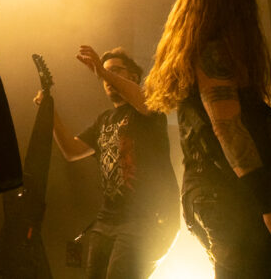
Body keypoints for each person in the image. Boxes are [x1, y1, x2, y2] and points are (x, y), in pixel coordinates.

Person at [143, 0, 271, 278]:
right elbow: (227, 129)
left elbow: (218, 124)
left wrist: (270, 135)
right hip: (231, 197)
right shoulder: (214, 53)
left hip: (216, 194)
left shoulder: (204, 54)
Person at [42, 45, 179, 278]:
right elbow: (71, 151)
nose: (104, 77)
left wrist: (102, 71)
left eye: (115, 70)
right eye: (103, 73)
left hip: (147, 220)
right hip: (107, 221)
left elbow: (144, 103)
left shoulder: (149, 106)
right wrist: (49, 111)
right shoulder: (103, 120)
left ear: (133, 76)